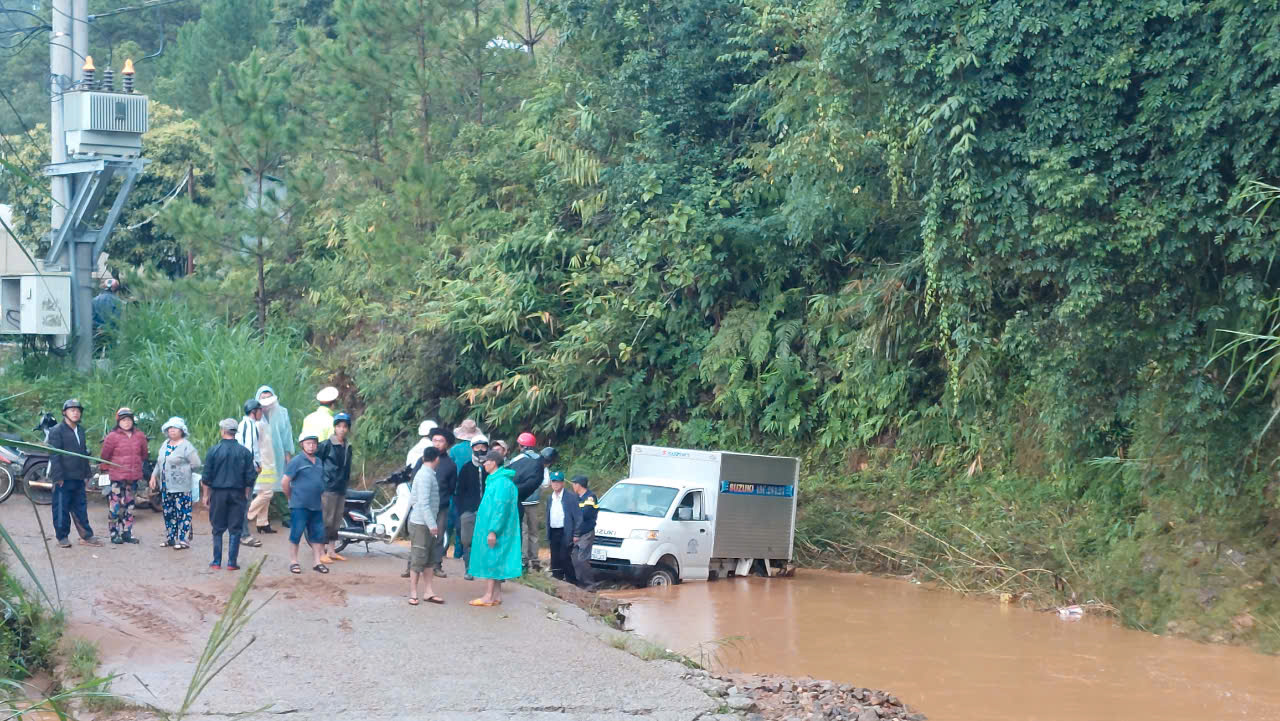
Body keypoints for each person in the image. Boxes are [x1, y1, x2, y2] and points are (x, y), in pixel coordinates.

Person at [201, 419, 257, 570]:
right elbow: (250, 478)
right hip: (237, 493)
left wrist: (206, 495)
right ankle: (232, 562)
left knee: (217, 528)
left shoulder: (214, 450)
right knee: (236, 529)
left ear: (222, 431)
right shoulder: (244, 452)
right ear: (235, 432)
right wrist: (246, 494)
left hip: (218, 493)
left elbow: (206, 477)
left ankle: (216, 561)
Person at [468, 450, 522, 606]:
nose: (484, 464)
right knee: (496, 560)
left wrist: (493, 530)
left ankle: (488, 596)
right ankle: (497, 595)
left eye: (486, 461)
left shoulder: (501, 483)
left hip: (496, 529)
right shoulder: (496, 480)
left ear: (493, 462)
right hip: (493, 527)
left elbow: (500, 508)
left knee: (492, 559)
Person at [47, 399, 104, 548]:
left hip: (78, 476)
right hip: (63, 478)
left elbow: (83, 453)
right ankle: (62, 537)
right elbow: (54, 455)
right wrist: (58, 477)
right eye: (72, 410)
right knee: (61, 508)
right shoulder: (57, 430)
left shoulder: (80, 430)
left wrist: (87, 474)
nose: (75, 412)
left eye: (78, 410)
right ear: (64, 412)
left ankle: (86, 535)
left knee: (80, 507)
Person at [150, 417, 201, 550]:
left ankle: (184, 539)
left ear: (182, 431)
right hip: (166, 486)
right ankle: (171, 537)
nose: (172, 431)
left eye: (175, 428)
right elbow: (159, 462)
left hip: (181, 486)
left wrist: (182, 471)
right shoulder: (165, 444)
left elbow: (196, 464)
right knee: (168, 512)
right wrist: (153, 476)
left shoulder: (186, 446)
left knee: (183, 512)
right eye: (170, 428)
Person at [98, 407, 147, 545]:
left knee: (130, 507)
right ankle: (114, 533)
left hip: (133, 478)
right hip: (117, 478)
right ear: (118, 421)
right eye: (123, 420)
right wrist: (107, 470)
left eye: (129, 419)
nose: (126, 422)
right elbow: (105, 456)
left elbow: (144, 454)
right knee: (115, 507)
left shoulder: (140, 436)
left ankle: (127, 532)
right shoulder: (112, 437)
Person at [282, 433, 328, 574]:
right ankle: (294, 561)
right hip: (299, 504)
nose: (311, 446)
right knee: (296, 533)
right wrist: (290, 497)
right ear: (302, 444)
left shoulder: (319, 462)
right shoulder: (296, 461)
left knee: (317, 535)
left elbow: (321, 481)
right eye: (308, 443)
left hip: (316, 504)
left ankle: (317, 562)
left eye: (314, 443)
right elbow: (285, 482)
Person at [407, 447, 445, 606]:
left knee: (429, 559)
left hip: (426, 522)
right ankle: (413, 592)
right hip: (421, 523)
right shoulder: (424, 476)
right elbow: (423, 503)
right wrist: (432, 524)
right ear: (436, 459)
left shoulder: (428, 474)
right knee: (418, 557)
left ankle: (428, 591)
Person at [256, 386, 295, 526]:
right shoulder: (254, 413)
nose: (266, 400)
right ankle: (260, 518)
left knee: (280, 484)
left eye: (268, 397)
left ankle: (286, 516)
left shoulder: (282, 412)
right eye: (263, 397)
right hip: (260, 455)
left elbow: (286, 434)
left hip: (277, 455)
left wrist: (288, 456)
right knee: (261, 486)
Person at [317, 412, 353, 564]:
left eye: (345, 427)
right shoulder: (326, 445)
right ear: (334, 427)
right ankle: (320, 551)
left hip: (341, 487)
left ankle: (331, 550)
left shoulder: (348, 446)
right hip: (328, 487)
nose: (342, 429)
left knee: (336, 520)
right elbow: (317, 462)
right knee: (326, 519)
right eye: (339, 426)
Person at [508, 432, 546, 571]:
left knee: (522, 531)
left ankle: (523, 560)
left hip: (520, 501)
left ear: (520, 445)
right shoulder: (540, 460)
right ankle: (535, 560)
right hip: (534, 502)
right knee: (534, 532)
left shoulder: (515, 460)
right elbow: (546, 482)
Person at [454, 435, 489, 580]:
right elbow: (459, 491)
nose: (480, 450)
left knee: (487, 540)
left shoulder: (491, 467)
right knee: (467, 540)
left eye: (483, 447)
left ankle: (486, 568)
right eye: (477, 447)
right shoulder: (467, 467)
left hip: (487, 510)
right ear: (472, 448)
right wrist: (462, 510)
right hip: (469, 510)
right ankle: (469, 568)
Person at [427, 428, 457, 578]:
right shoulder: (424, 460)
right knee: (420, 535)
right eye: (435, 440)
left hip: (441, 506)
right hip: (424, 505)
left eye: (441, 441)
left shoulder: (450, 464)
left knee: (438, 536)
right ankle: (413, 565)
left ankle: (437, 565)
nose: (437, 444)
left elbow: (452, 487)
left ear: (447, 445)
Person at [235, 399, 265, 548]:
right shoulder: (250, 426)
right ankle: (243, 534)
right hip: (247, 469)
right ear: (254, 411)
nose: (262, 413)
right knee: (245, 502)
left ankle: (240, 532)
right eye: (260, 410)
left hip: (242, 468)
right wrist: (257, 465)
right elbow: (250, 449)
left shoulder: (245, 425)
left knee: (243, 502)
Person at [545, 471, 579, 583]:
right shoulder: (550, 498)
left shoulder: (571, 497)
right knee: (555, 558)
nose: (555, 484)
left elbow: (578, 517)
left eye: (558, 482)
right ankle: (557, 580)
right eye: (553, 482)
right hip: (553, 530)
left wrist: (576, 533)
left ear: (562, 483)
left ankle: (572, 581)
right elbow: (548, 515)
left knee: (564, 557)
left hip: (565, 531)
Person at [571, 475, 599, 588]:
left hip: (586, 533)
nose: (572, 486)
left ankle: (589, 585)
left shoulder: (590, 498)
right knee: (574, 558)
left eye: (574, 483)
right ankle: (578, 583)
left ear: (579, 485)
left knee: (582, 559)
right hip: (577, 533)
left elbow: (584, 514)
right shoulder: (576, 497)